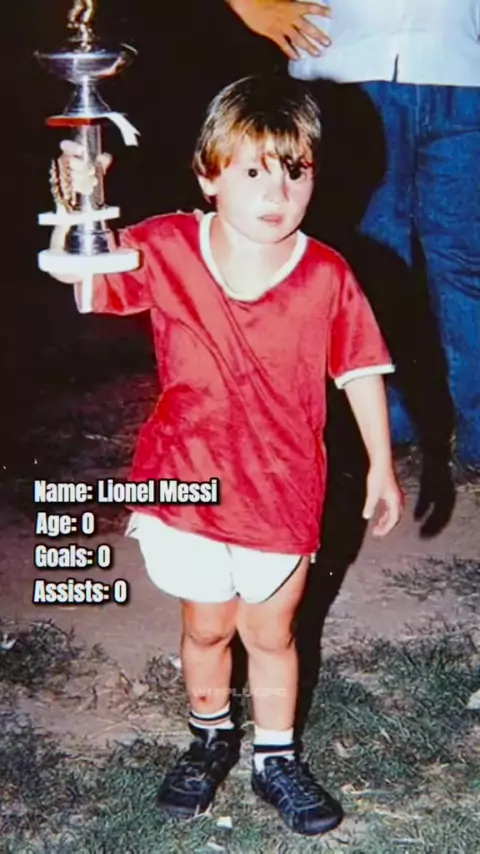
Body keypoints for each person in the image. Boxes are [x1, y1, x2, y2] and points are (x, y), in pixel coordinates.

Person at [47, 74, 402, 836]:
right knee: (207, 627)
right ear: (208, 176)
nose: (277, 191)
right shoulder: (168, 246)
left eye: (295, 170)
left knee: (271, 633)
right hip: (188, 483)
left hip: (281, 489)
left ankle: (276, 757)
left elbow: (360, 369)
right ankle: (208, 737)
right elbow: (85, 275)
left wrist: (381, 462)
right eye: (252, 171)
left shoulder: (328, 274)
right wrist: (80, 203)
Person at [227, 0, 480, 467]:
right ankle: (381, 429)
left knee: (467, 264)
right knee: (368, 262)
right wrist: (249, 6)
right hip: (346, 73)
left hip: (465, 73)